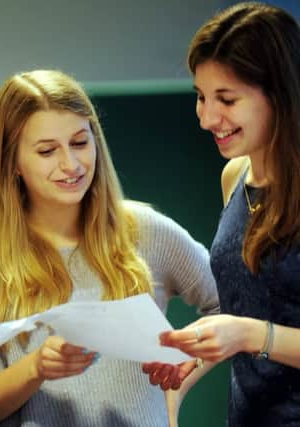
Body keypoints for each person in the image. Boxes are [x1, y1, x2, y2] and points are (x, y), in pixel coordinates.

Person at [0, 69, 220, 427]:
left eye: (80, 143)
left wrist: (183, 374)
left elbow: (231, 307)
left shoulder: (146, 231)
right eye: (47, 150)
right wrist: (35, 369)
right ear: (13, 162)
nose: (70, 164)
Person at [156, 2, 300, 426]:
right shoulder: (234, 176)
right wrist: (188, 361)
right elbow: (251, 309)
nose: (207, 118)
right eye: (201, 97)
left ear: (278, 94)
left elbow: (252, 330)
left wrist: (248, 335)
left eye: (227, 99)